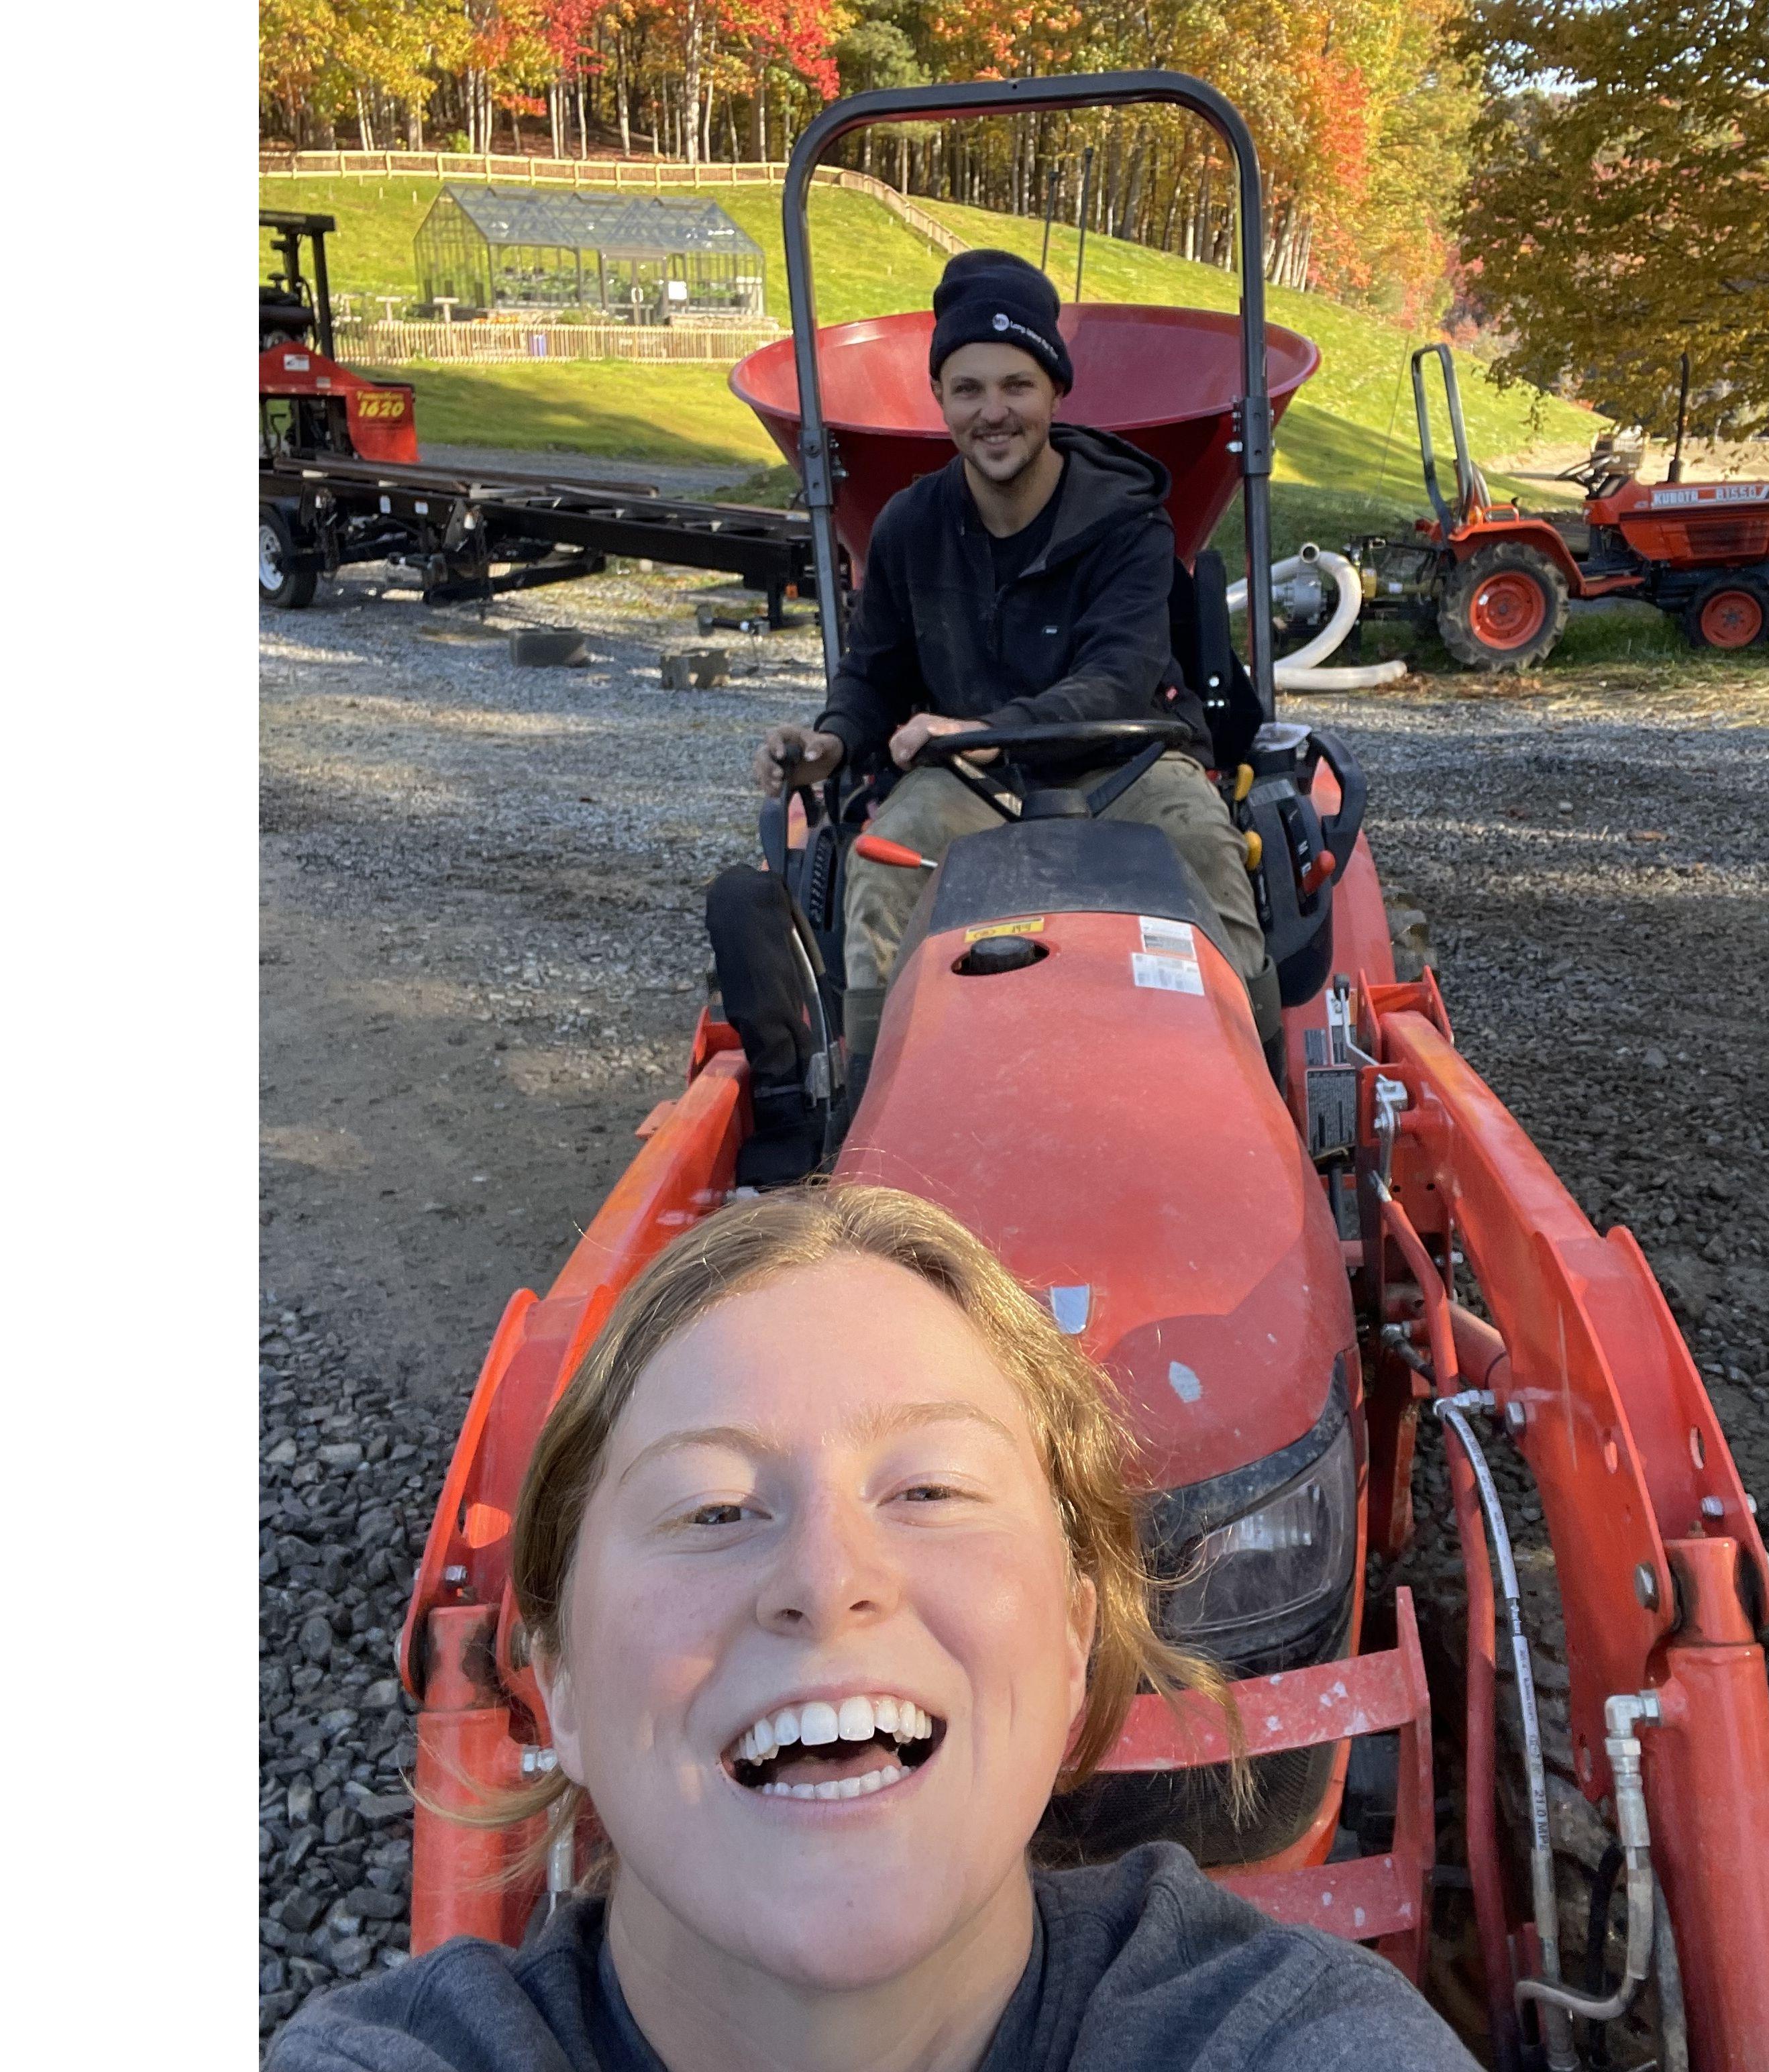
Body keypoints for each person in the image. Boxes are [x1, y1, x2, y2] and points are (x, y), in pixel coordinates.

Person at [267, 1185, 1477, 2072]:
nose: (828, 1575)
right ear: (561, 1678)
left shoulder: (1286, 2038)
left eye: (931, 1488)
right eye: (714, 1505)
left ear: (1072, 1642)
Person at [751, 251, 1277, 1096]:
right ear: (941, 399)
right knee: (881, 870)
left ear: (1055, 392)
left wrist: (988, 730)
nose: (993, 412)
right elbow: (873, 673)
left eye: (1016, 386)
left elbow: (1118, 674)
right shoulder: (908, 527)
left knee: (1208, 850)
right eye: (967, 389)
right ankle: (876, 1117)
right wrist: (830, 741)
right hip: (967, 781)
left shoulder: (1129, 523)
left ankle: (1254, 1102)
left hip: (1128, 765)